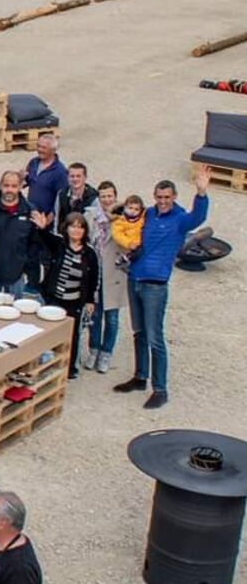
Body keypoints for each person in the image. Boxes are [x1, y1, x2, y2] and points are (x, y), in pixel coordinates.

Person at [112, 167, 211, 409]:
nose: (163, 201)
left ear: (174, 197)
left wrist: (201, 193)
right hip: (135, 278)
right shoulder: (148, 214)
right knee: (139, 332)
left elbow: (198, 217)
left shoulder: (180, 220)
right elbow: (127, 215)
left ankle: (160, 388)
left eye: (167, 197)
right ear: (154, 197)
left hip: (155, 286)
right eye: (159, 197)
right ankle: (140, 376)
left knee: (155, 337)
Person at [32, 211, 99, 378]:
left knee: (73, 334)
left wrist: (90, 300)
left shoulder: (90, 253)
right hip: (54, 298)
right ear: (66, 228)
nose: (76, 230)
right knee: (50, 332)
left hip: (75, 301)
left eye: (80, 227)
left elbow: (93, 278)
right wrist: (42, 228)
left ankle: (69, 368)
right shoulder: (59, 244)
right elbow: (45, 237)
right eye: (73, 226)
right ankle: (48, 364)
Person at [84, 182, 126, 373]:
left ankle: (106, 353)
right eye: (103, 196)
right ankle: (93, 350)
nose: (107, 200)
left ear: (115, 196)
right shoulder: (91, 216)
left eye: (110, 196)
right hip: (96, 271)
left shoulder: (124, 218)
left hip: (114, 272)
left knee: (112, 318)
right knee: (94, 315)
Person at [0, 171, 38, 298]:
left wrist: (26, 270)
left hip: (18, 276)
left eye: (14, 186)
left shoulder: (30, 211)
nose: (9, 190)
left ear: (20, 187)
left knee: (15, 309)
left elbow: (34, 244)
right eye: (6, 185)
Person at [22, 133, 67, 215]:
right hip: (31, 212)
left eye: (43, 147)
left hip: (46, 216)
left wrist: (51, 216)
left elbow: (62, 198)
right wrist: (21, 178)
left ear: (53, 150)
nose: (39, 150)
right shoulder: (33, 162)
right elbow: (27, 181)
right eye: (38, 146)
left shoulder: (60, 171)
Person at [56, 161, 98, 230]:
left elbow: (94, 225)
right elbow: (57, 219)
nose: (75, 179)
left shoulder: (93, 197)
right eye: (72, 176)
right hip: (64, 234)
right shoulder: (61, 194)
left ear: (85, 177)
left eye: (78, 176)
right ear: (67, 178)